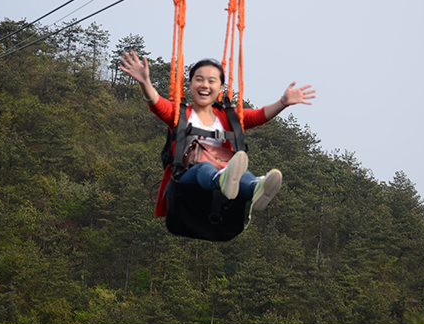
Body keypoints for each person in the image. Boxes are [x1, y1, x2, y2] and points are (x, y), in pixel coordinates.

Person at [119, 52, 315, 218]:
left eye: (211, 81)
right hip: (184, 183)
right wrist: (145, 82)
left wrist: (283, 102)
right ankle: (221, 180)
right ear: (191, 84)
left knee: (240, 172)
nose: (205, 85)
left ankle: (257, 188)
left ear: (220, 88)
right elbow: (158, 105)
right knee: (206, 167)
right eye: (199, 79)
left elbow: (257, 116)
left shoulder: (227, 117)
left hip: (221, 182)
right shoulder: (181, 114)